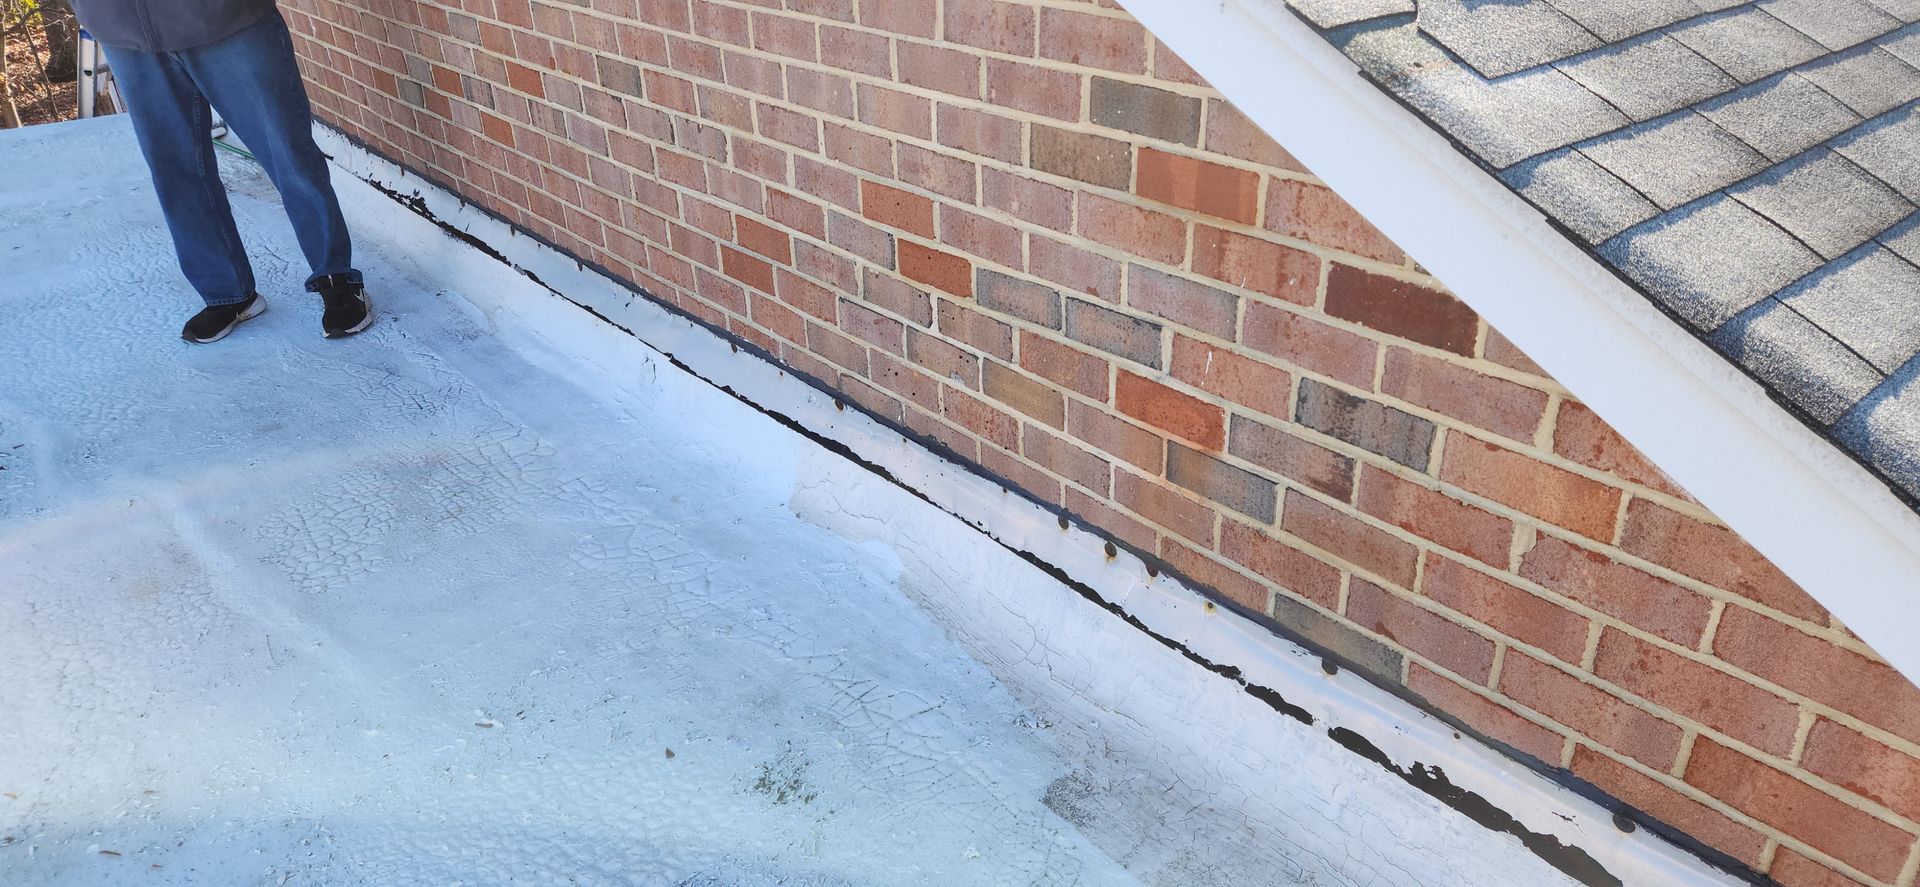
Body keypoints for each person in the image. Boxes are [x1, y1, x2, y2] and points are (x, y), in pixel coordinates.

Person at [66, 0, 371, 342]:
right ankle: (228, 293)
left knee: (285, 151)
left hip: (225, 17)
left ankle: (336, 278)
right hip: (121, 26)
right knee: (174, 170)